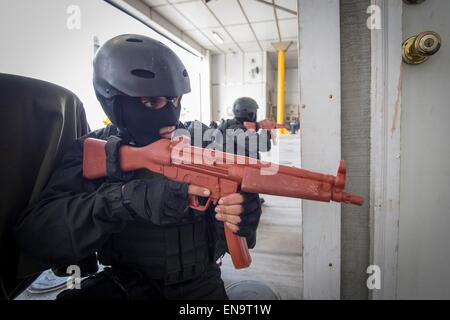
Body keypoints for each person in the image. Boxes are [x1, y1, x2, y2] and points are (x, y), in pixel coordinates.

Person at [14, 34, 262, 300]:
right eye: (152, 102)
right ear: (114, 103)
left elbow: (234, 233)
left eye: (175, 100)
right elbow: (37, 236)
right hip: (128, 283)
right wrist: (125, 200)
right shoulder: (93, 150)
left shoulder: (203, 141)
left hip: (200, 284)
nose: (170, 112)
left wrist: (244, 216)